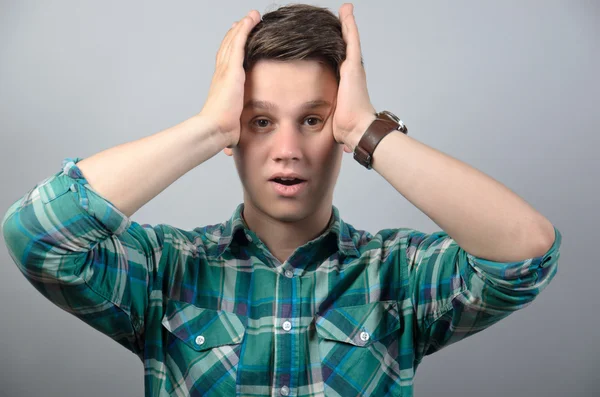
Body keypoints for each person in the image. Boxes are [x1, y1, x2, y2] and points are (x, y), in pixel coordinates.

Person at [1, 3, 561, 396]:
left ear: (339, 130)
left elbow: (526, 253)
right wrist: (207, 127)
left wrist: (369, 130)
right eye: (261, 121)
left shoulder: (399, 275)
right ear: (234, 134)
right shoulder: (163, 270)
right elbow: (35, 235)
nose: (287, 150)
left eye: (314, 120)